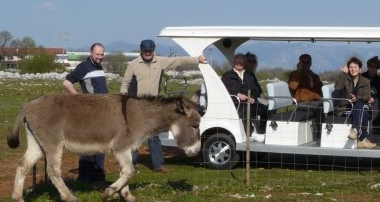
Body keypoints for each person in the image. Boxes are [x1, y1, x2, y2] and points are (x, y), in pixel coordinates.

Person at [120, 38, 208, 173]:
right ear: (141, 51)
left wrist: (197, 59)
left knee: (154, 135)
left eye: (150, 50)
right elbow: (125, 81)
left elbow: (177, 61)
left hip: (155, 105)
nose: (148, 53)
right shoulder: (134, 64)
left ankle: (158, 165)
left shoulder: (160, 61)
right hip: (138, 105)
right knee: (135, 136)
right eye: (145, 51)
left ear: (153, 50)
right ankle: (132, 163)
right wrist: (123, 98)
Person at [62, 42, 108, 183]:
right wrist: (78, 97)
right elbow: (67, 82)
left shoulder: (99, 66)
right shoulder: (84, 67)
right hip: (90, 112)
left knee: (102, 144)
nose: (100, 57)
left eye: (101, 54)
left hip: (102, 112)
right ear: (91, 53)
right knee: (87, 144)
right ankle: (84, 177)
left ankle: (98, 176)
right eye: (97, 54)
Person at [221, 52, 267, 142]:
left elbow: (256, 89)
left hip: (250, 102)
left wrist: (253, 97)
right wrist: (237, 94)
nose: (239, 63)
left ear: (244, 62)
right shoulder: (227, 75)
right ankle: (249, 134)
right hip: (235, 103)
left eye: (241, 61)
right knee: (246, 109)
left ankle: (262, 131)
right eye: (237, 61)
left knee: (265, 109)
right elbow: (225, 90)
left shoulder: (250, 75)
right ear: (234, 62)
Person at [333, 57, 377, 148]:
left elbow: (367, 96)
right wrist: (343, 73)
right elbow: (337, 87)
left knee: (361, 105)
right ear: (348, 68)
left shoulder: (366, 81)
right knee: (364, 107)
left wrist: (357, 98)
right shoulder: (345, 78)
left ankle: (355, 130)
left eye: (355, 67)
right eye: (351, 67)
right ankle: (362, 139)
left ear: (360, 69)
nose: (353, 69)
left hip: (359, 106)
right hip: (345, 106)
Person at [288, 53, 324, 136]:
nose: (305, 64)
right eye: (303, 62)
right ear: (299, 63)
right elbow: (293, 86)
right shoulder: (294, 74)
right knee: (320, 107)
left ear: (310, 63)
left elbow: (320, 89)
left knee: (326, 105)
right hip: (302, 102)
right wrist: (299, 71)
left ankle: (325, 130)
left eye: (307, 62)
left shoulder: (314, 76)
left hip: (313, 102)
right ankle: (319, 132)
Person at [363, 56, 380, 136]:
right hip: (363, 99)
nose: (373, 68)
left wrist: (374, 98)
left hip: (375, 101)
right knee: (376, 105)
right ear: (368, 66)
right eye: (372, 66)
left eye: (376, 67)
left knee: (377, 103)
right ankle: (374, 127)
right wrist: (367, 98)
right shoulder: (362, 77)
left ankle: (377, 129)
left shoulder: (379, 79)